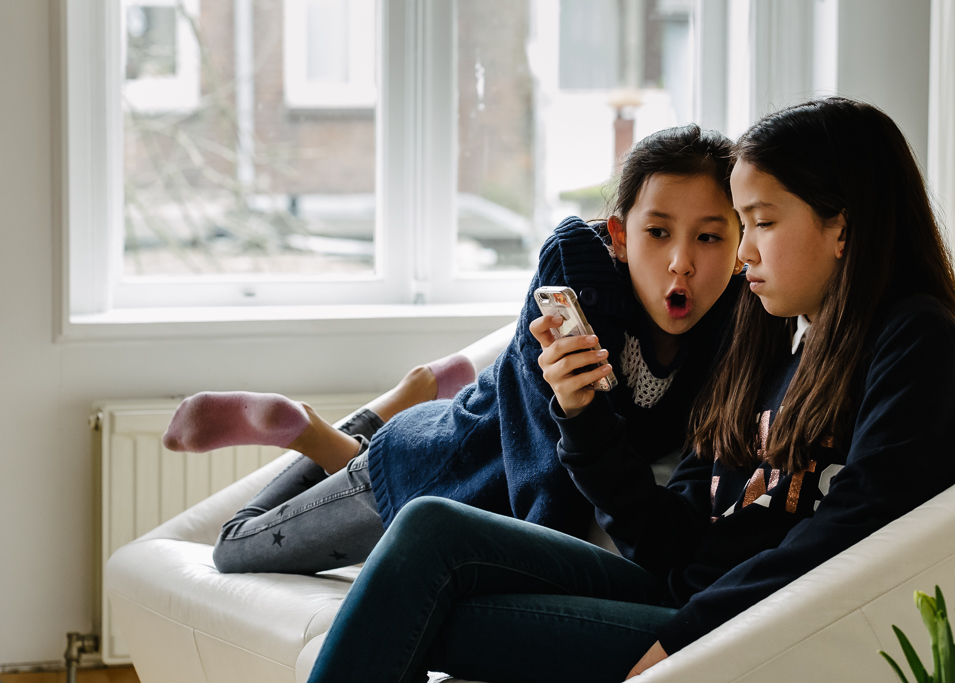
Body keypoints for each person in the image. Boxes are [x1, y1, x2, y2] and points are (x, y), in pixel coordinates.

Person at [305, 97, 955, 683]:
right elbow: (666, 530)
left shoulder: (912, 338)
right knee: (430, 530)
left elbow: (857, 529)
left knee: (403, 610)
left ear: (844, 226)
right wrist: (582, 414)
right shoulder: (778, 342)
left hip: (732, 626)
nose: (744, 254)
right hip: (677, 588)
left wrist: (687, 640)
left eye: (762, 223)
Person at [161, 124, 746, 574]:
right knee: (234, 549)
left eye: (710, 236)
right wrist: (547, 565)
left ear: (742, 240)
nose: (682, 263)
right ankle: (308, 428)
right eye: (658, 232)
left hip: (473, 495)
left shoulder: (741, 321)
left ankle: (406, 396)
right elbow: (538, 448)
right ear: (619, 236)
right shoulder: (581, 277)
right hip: (442, 470)